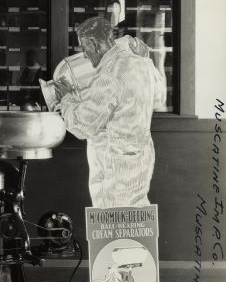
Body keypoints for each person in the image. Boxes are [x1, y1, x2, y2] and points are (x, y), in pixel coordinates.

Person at [56, 16, 166, 209]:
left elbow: (85, 126)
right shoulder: (143, 64)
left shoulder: (109, 75)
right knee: (137, 224)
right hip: (141, 162)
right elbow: (158, 99)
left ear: (93, 43)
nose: (84, 55)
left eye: (84, 48)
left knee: (112, 226)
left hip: (114, 170)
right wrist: (145, 57)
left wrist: (66, 99)